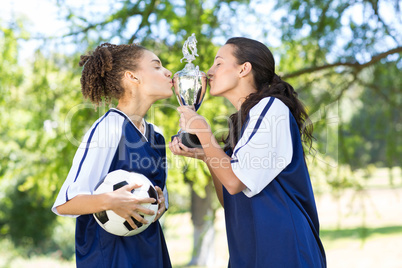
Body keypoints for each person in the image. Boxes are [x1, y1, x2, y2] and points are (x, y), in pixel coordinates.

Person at [169, 37, 326, 267]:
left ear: (244, 69)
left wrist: (203, 131)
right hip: (249, 252)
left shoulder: (271, 109)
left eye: (218, 63)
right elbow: (230, 197)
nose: (209, 72)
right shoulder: (242, 124)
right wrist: (207, 156)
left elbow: (235, 182)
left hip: (284, 252)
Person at [52, 43, 173, 268]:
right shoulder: (109, 128)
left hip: (150, 249)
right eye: (156, 67)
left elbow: (158, 200)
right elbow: (65, 204)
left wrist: (160, 203)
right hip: (110, 255)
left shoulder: (157, 136)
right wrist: (111, 201)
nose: (168, 72)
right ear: (132, 77)